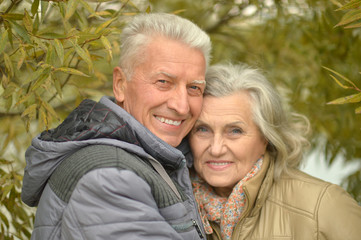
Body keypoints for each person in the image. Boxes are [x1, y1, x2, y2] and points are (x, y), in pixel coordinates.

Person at [21, 13, 211, 240]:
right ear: (120, 84)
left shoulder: (157, 160)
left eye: (194, 88)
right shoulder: (111, 176)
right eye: (163, 82)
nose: (181, 106)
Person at [187, 62, 361, 240]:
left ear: (265, 138)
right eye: (202, 129)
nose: (216, 149)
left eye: (235, 131)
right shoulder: (173, 205)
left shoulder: (323, 207)